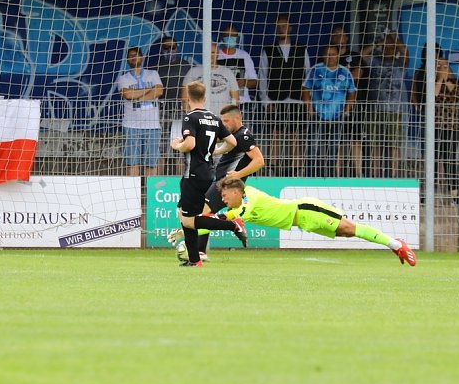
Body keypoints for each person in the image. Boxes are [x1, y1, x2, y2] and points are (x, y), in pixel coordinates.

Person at [216, 176, 417, 266]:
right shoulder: (237, 208)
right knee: (345, 232)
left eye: (225, 196)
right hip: (304, 222)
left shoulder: (251, 194)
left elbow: (244, 209)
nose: (224, 200)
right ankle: (393, 242)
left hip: (306, 210)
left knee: (350, 228)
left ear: (235, 191)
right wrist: (191, 227)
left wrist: (225, 217)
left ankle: (397, 245)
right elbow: (229, 216)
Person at [167, 104, 266, 260]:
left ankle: (201, 249)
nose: (224, 124)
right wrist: (216, 150)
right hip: (218, 181)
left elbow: (259, 161)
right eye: (222, 120)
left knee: (203, 213)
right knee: (203, 213)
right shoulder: (232, 136)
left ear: (237, 118)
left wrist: (238, 174)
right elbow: (211, 139)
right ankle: (200, 250)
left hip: (227, 185)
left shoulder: (244, 136)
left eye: (227, 120)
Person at [170, 81, 244, 267]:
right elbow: (232, 142)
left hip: (193, 174)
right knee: (188, 217)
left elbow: (191, 144)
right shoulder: (213, 118)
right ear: (204, 97)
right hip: (208, 173)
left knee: (188, 220)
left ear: (187, 97)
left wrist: (177, 145)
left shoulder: (190, 118)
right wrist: (215, 152)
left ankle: (232, 224)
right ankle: (195, 260)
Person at [259, 14, 311, 177]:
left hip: (297, 99)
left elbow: (308, 75)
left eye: (285, 25)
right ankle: (273, 167)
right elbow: (263, 76)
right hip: (276, 98)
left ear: (290, 28)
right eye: (279, 25)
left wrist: (307, 100)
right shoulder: (268, 50)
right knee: (276, 132)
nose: (282, 28)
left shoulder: (301, 49)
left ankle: (297, 168)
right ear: (275, 29)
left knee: (295, 134)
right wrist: (266, 101)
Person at [302, 45, 356, 178]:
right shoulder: (316, 70)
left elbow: (352, 92)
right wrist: (309, 108)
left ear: (338, 55)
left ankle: (330, 175)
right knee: (314, 146)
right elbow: (305, 88)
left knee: (333, 147)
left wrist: (346, 111)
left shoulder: (345, 72)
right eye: (327, 54)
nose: (330, 57)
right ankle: (311, 175)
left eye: (333, 54)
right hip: (317, 115)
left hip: (337, 116)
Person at [115, 47, 163, 177]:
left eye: (136, 55)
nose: (133, 57)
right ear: (127, 60)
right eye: (130, 56)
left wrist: (139, 97)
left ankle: (150, 191)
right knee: (132, 162)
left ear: (142, 57)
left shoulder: (152, 74)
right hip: (131, 125)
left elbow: (158, 91)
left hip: (152, 125)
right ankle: (133, 192)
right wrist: (148, 90)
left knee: (151, 162)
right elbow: (128, 94)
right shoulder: (123, 78)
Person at [153, 36, 193, 175]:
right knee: (162, 146)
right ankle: (159, 179)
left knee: (180, 146)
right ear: (162, 49)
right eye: (166, 48)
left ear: (177, 48)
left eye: (173, 47)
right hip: (162, 110)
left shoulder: (185, 65)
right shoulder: (155, 67)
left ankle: (181, 179)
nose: (170, 50)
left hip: (180, 110)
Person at [373, 30, 409, 178]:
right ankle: (374, 176)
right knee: (376, 144)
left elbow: (405, 53)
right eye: (385, 46)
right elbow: (363, 55)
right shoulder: (375, 61)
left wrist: (395, 39)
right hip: (376, 109)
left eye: (391, 46)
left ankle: (393, 176)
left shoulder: (400, 63)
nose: (388, 48)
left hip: (396, 110)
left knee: (394, 144)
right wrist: (378, 43)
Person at [181, 42, 239, 119]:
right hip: (200, 119)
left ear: (218, 54)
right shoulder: (193, 71)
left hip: (222, 119)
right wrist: (191, 115)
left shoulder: (227, 72)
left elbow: (235, 98)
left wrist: (230, 118)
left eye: (213, 52)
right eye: (207, 52)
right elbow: (185, 96)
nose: (210, 55)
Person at [435, 55, 459, 199]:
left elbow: (457, 95)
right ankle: (432, 191)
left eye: (445, 66)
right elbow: (433, 94)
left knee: (450, 159)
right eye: (439, 66)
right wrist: (440, 79)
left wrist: (446, 78)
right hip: (434, 126)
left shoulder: (456, 82)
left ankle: (454, 193)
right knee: (433, 158)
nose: (442, 69)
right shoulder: (432, 81)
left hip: (451, 126)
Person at [216, 24, 259, 124]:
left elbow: (255, 82)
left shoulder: (244, 56)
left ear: (237, 37)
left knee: (243, 136)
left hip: (242, 103)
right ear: (222, 37)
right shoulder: (216, 55)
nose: (230, 38)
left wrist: (243, 82)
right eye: (227, 35)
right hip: (221, 103)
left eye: (233, 35)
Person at [348, 42, 377, 177]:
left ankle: (359, 173)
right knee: (341, 142)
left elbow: (356, 74)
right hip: (341, 107)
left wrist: (377, 43)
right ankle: (338, 173)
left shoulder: (358, 60)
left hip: (361, 107)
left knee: (359, 140)